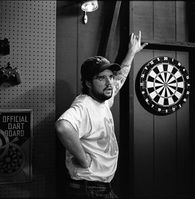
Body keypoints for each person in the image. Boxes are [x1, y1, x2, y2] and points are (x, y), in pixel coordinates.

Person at [55, 31, 148, 199]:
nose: (109, 83)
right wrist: (83, 160)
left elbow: (120, 78)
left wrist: (131, 53)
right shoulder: (84, 105)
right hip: (88, 189)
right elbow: (63, 127)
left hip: (100, 187)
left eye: (110, 77)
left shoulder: (103, 99)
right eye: (102, 78)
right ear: (89, 83)